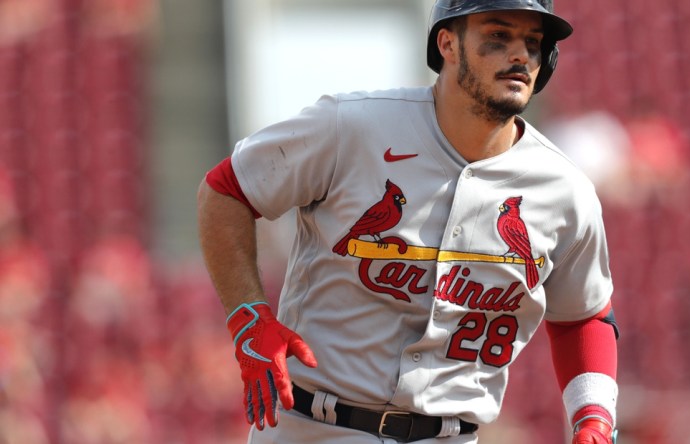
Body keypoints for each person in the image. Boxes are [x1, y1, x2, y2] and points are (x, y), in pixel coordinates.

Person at [197, 1, 619, 443]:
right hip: (316, 427)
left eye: (533, 43)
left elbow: (583, 316)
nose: (519, 56)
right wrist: (248, 316)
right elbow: (226, 189)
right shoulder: (352, 127)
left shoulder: (564, 190)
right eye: (498, 35)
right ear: (448, 43)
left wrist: (593, 416)